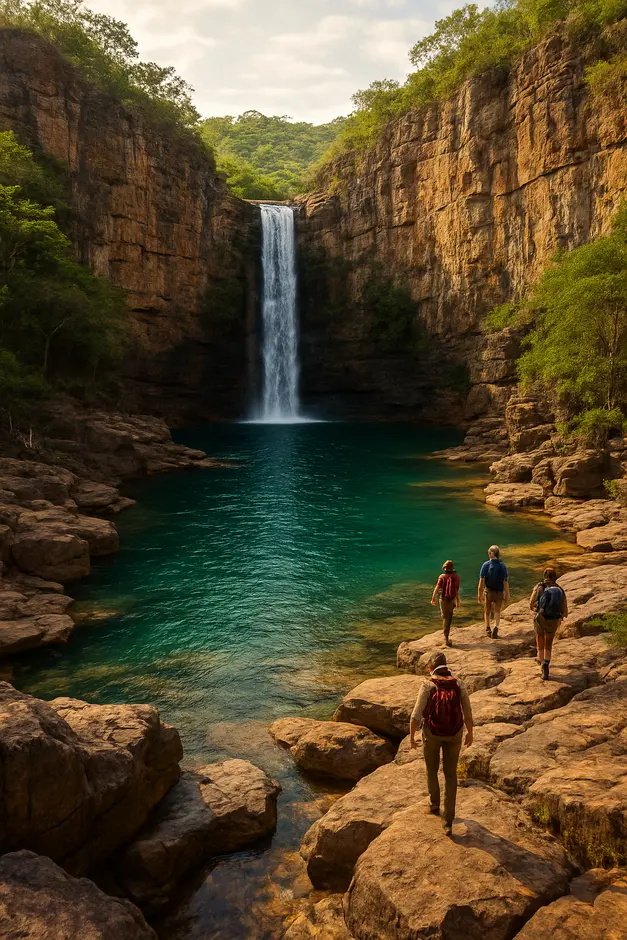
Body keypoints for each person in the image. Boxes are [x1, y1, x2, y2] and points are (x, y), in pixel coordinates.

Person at [409, 651, 473, 837]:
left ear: (430, 668)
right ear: (446, 666)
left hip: (432, 734)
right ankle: (448, 821)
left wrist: (412, 737)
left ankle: (434, 804)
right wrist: (470, 733)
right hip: (454, 734)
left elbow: (415, 715)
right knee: (450, 775)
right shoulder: (458, 684)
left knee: (432, 769)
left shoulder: (428, 685)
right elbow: (467, 713)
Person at [530, 567, 568, 680]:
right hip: (554, 619)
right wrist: (562, 616)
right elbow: (564, 609)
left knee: (539, 638)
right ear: (555, 577)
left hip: (541, 618)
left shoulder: (540, 586)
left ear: (544, 576)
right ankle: (546, 664)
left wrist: (536, 609)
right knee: (549, 642)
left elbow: (531, 603)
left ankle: (540, 661)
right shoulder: (559, 589)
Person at [478, 545, 510, 639]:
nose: (488, 554)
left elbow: (481, 581)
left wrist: (479, 594)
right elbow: (505, 581)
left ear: (492, 554)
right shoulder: (502, 565)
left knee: (487, 611)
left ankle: (488, 628)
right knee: (497, 611)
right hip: (499, 592)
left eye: (489, 553)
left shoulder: (486, 565)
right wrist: (507, 594)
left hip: (488, 592)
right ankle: (496, 626)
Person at [431, 560, 460, 648]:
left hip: (443, 600)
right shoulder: (456, 577)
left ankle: (446, 637)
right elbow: (456, 591)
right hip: (452, 600)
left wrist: (433, 598)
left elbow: (437, 588)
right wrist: (458, 601)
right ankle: (446, 636)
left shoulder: (442, 577)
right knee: (449, 617)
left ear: (445, 568)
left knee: (444, 617)